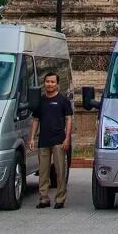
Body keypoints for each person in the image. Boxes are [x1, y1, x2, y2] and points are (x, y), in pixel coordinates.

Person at [30, 72, 74, 208]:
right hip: (43, 140)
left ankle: (60, 198)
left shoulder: (63, 101)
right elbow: (36, 120)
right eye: (47, 82)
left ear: (57, 84)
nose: (49, 84)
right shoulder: (40, 101)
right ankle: (44, 198)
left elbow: (68, 119)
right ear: (44, 83)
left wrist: (67, 138)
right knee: (43, 172)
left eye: (52, 82)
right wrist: (32, 138)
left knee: (60, 171)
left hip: (59, 141)